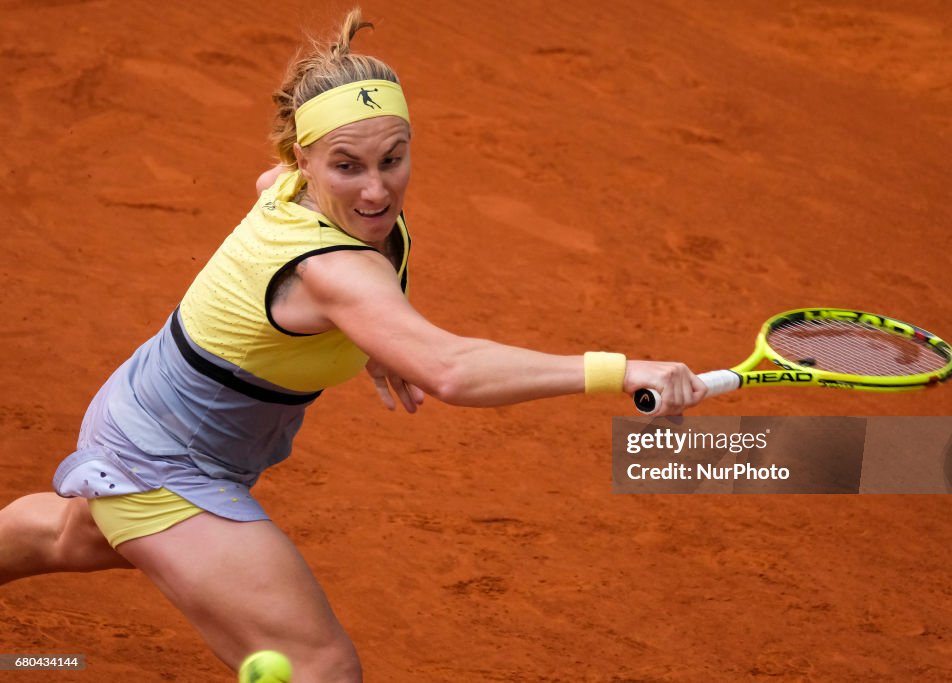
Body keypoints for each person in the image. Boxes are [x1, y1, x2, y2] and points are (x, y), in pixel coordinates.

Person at [0, 9, 705, 682]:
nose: (376, 190)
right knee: (322, 667)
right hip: (161, 464)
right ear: (306, 156)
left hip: (142, 409)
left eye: (393, 158)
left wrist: (367, 341)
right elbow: (450, 369)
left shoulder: (289, 187)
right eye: (348, 166)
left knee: (72, 538)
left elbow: (266, 182)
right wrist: (622, 368)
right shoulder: (334, 270)